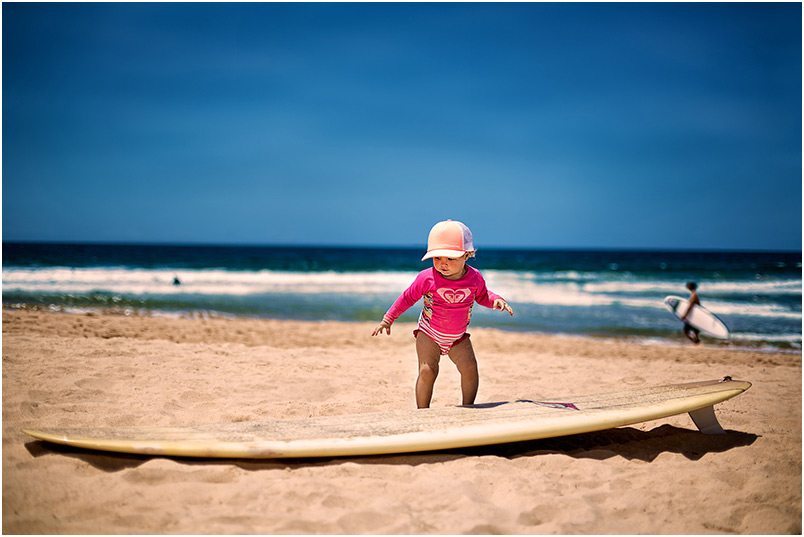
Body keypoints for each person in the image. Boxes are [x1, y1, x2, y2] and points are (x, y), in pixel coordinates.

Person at [371, 220, 513, 408]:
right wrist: (388, 319)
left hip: (457, 338)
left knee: (470, 368)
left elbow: (483, 296)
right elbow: (407, 298)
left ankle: (468, 407)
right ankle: (422, 411)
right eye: (437, 258)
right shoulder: (427, 278)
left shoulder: (474, 278)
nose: (443, 263)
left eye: (450, 258)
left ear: (467, 255)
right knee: (427, 371)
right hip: (429, 333)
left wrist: (496, 300)